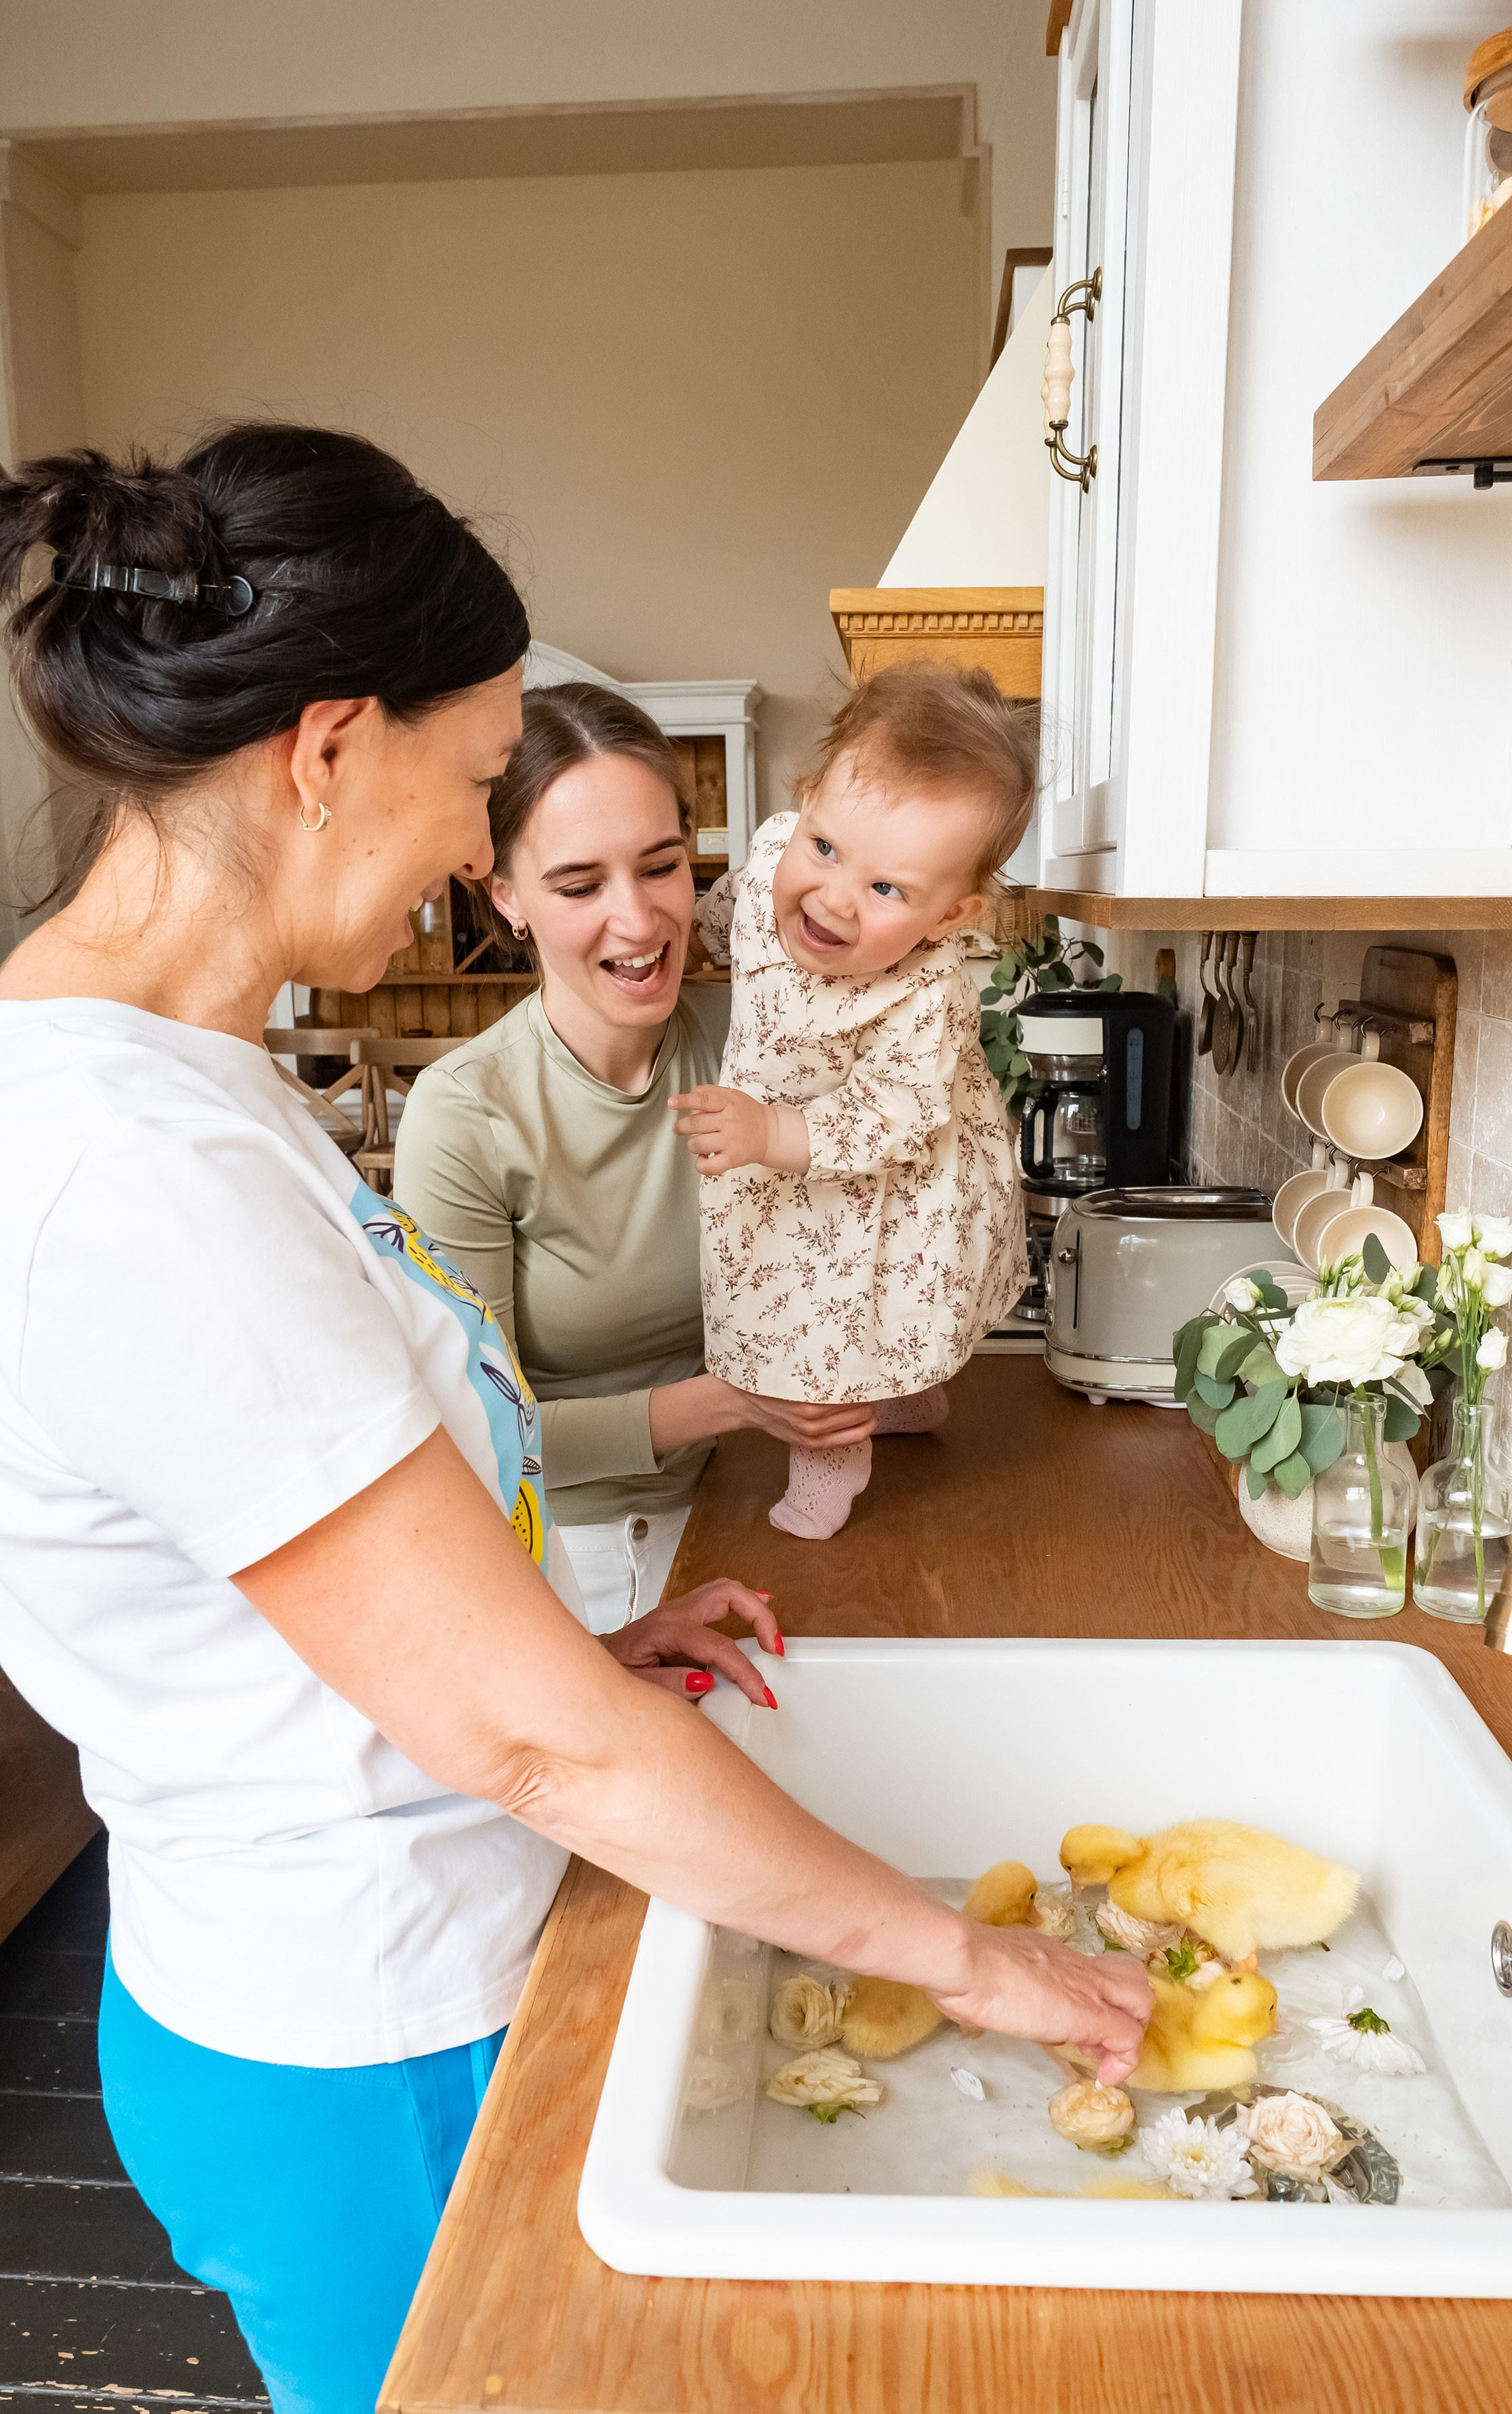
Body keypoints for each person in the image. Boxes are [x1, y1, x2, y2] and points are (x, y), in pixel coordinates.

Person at [0, 427, 1150, 2414]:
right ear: (328, 747)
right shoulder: (126, 1169)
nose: (475, 852)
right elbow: (524, 1745)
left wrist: (594, 1642)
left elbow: (327, 1586)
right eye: (473, 786)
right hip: (363, 2030)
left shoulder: (197, 1092)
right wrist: (970, 1963)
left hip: (397, 1958)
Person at [392, 682, 876, 1629]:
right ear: (504, 895)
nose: (639, 919)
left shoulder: (754, 1041)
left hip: (756, 1500)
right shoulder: (463, 1116)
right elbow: (480, 1427)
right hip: (571, 1562)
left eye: (660, 868)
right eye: (579, 885)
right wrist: (734, 1401)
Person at [671, 664, 1030, 1538]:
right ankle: (906, 1399)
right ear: (804, 804)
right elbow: (728, 922)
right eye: (825, 849)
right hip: (780, 1154)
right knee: (806, 1296)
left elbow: (895, 1114)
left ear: (951, 916)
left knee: (829, 1318)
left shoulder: (926, 990)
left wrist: (771, 1128)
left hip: (891, 1177)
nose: (833, 897)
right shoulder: (768, 870)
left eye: (888, 890)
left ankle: (832, 1462)